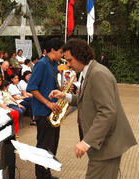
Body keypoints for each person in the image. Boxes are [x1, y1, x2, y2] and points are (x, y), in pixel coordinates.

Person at [49, 38, 137, 179]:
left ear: (80, 56)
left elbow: (107, 112)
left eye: (70, 60)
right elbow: (86, 100)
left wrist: (86, 142)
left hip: (106, 146)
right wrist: (65, 96)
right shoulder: (88, 72)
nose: (69, 65)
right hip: (101, 145)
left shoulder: (98, 74)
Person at [26, 38, 64, 179]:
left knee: (51, 147)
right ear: (53, 50)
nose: (62, 55)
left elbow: (50, 85)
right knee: (43, 147)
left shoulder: (54, 64)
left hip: (53, 112)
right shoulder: (41, 64)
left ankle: (46, 173)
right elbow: (31, 88)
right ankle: (41, 176)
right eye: (61, 52)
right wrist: (48, 103)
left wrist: (62, 91)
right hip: (44, 112)